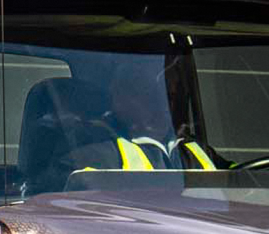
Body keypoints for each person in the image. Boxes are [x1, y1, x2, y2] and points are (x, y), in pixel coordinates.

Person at [17, 54, 214, 190]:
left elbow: (240, 181)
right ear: (119, 98)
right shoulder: (84, 154)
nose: (165, 96)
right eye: (144, 89)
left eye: (169, 86)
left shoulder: (194, 150)